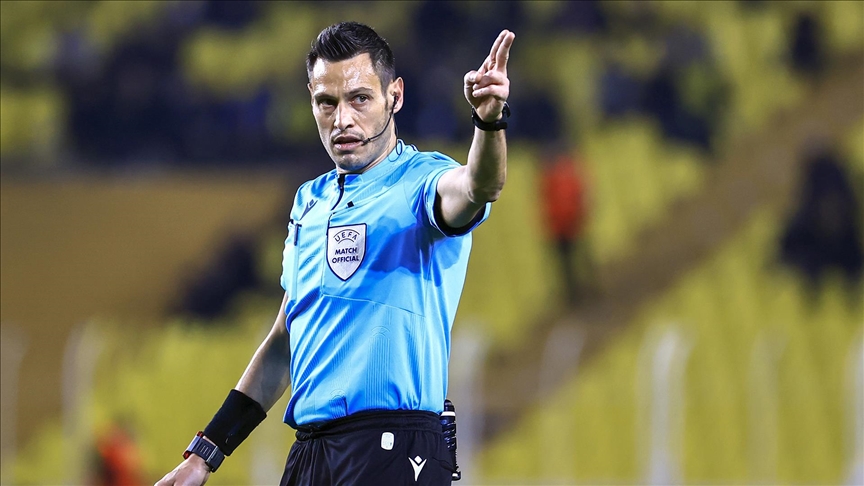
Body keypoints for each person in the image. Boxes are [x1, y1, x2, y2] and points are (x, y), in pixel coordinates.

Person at [156, 21, 515, 486]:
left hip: (395, 447)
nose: (342, 119)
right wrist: (205, 455)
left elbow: (479, 185)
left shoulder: (422, 180)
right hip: (311, 452)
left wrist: (489, 121)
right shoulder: (309, 202)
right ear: (311, 99)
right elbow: (285, 343)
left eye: (359, 99)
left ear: (395, 96)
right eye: (327, 102)